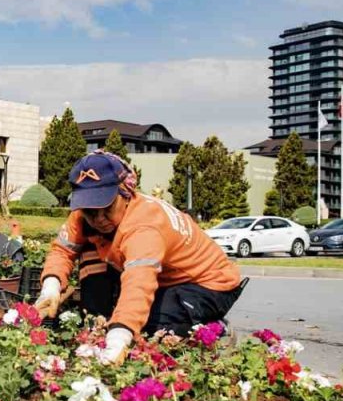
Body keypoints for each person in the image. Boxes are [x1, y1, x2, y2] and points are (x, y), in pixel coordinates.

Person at [34, 151, 245, 364]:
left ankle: (215, 330)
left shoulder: (145, 227)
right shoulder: (81, 216)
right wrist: (51, 287)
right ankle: (99, 322)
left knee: (150, 330)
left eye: (106, 207)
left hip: (208, 283)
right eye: (91, 210)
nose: (99, 218)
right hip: (166, 278)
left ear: (124, 193)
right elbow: (63, 250)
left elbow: (139, 283)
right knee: (89, 250)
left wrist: (119, 335)